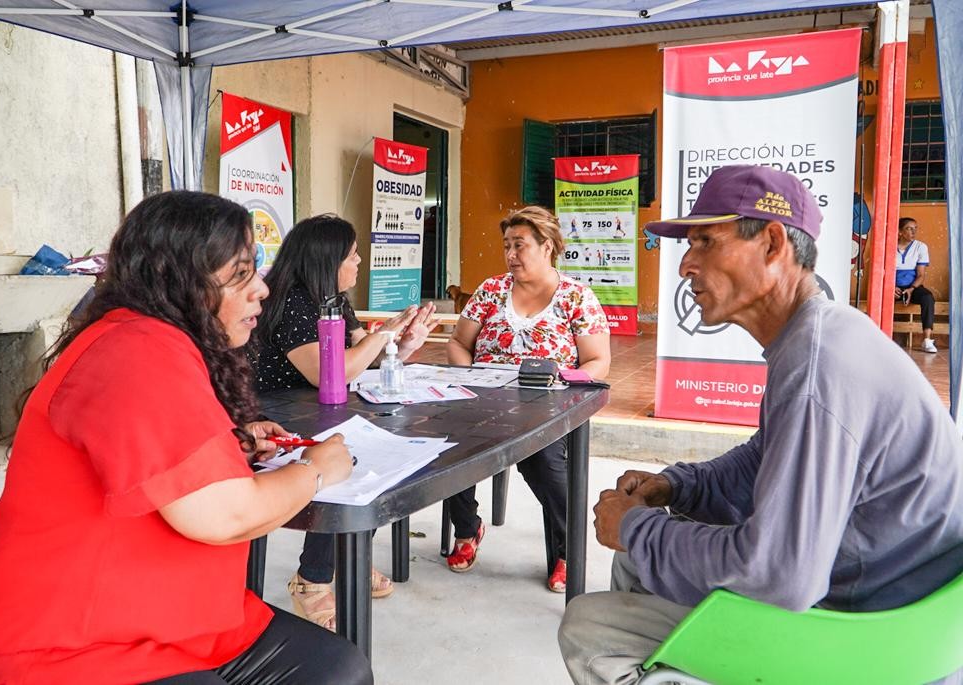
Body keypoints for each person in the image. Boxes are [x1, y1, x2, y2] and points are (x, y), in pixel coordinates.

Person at [0, 191, 372, 685]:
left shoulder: (156, 340)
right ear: (181, 279)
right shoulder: (136, 351)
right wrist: (315, 469)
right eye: (240, 274)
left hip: (169, 614)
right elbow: (225, 514)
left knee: (339, 669)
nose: (261, 289)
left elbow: (158, 449)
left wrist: (229, 442)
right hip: (62, 649)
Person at [558, 165, 963, 685]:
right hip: (881, 595)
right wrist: (679, 485)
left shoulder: (817, 365)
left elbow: (782, 574)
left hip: (878, 633)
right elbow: (763, 457)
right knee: (638, 561)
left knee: (589, 627)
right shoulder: (817, 336)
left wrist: (636, 527)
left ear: (772, 244)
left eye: (705, 242)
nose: (685, 264)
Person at [252, 213, 437, 632]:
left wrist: (402, 346)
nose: (358, 262)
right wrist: (381, 336)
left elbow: (360, 359)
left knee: (389, 449)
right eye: (352, 255)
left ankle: (346, 555)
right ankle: (312, 580)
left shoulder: (332, 299)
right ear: (327, 260)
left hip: (321, 409)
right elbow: (328, 372)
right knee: (350, 459)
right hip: (275, 417)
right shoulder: (292, 301)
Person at [447, 205, 611, 592]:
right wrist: (471, 380)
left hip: (546, 408)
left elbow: (598, 361)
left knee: (547, 463)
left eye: (519, 245)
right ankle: (467, 528)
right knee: (450, 447)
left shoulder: (576, 297)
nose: (510, 254)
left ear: (547, 246)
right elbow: (458, 343)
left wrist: (561, 384)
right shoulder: (491, 290)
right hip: (484, 402)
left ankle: (567, 550)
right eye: (506, 245)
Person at [895, 215, 938, 353]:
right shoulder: (888, 246)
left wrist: (911, 289)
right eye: (909, 229)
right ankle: (878, 338)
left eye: (915, 228)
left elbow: (921, 275)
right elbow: (883, 271)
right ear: (900, 232)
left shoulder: (920, 247)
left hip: (913, 286)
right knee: (877, 297)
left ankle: (927, 340)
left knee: (928, 298)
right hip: (892, 287)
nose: (913, 232)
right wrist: (890, 287)